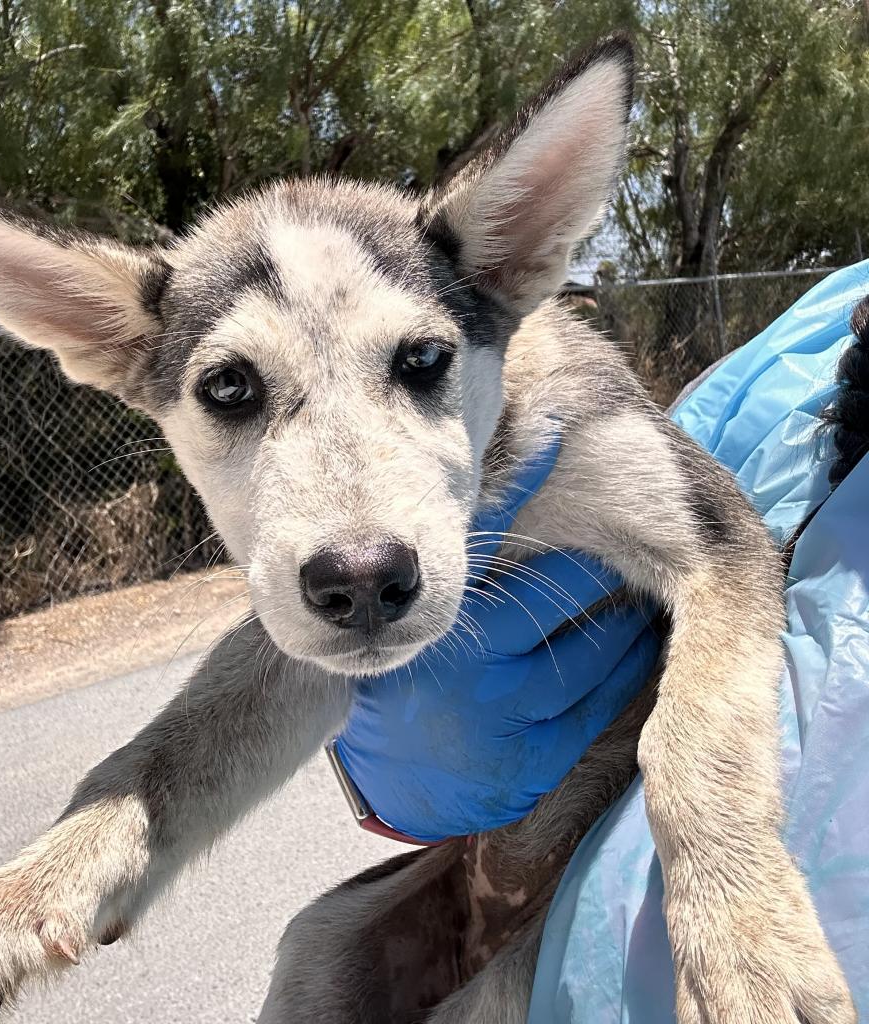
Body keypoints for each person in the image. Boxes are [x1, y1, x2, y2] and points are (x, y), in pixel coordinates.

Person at [333, 261, 869, 1020]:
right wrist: (377, 759)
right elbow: (690, 516)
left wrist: (723, 848)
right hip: (507, 946)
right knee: (319, 957)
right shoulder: (801, 349)